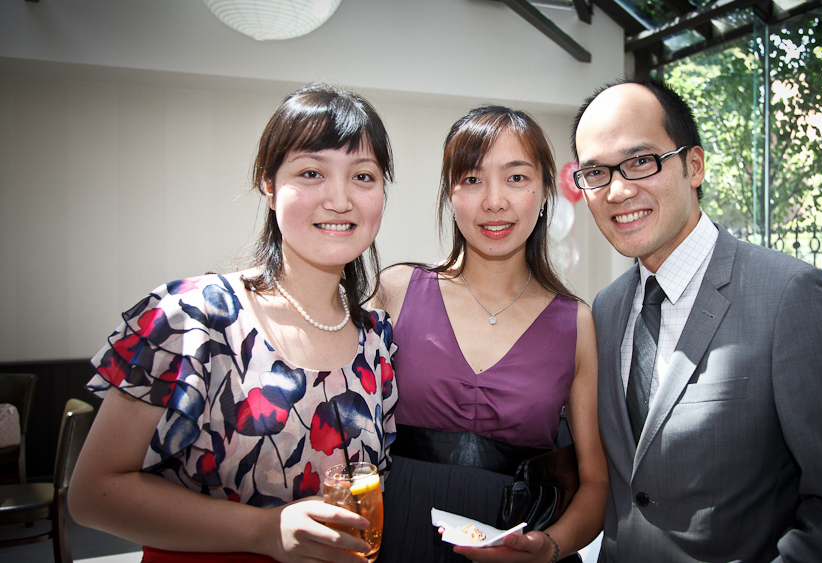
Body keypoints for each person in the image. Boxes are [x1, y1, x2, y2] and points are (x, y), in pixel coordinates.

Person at [69, 84, 397, 563]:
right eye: (311, 172)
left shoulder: (377, 340)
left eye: (363, 176)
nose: (340, 199)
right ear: (269, 186)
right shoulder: (190, 317)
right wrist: (263, 531)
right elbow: (92, 495)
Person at [570, 79, 822, 562]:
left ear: (694, 165)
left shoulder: (792, 297)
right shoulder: (607, 308)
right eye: (596, 172)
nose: (618, 190)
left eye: (641, 161)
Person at [371, 106, 608, 563]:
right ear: (450, 193)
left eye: (516, 178)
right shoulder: (396, 291)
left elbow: (596, 482)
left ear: (545, 191)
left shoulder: (576, 324)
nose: (494, 201)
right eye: (472, 179)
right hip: (396, 537)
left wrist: (549, 548)